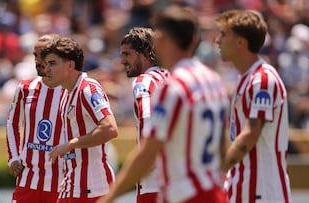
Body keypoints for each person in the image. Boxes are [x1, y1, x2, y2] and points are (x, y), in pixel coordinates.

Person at [98, 5, 229, 203]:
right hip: (215, 190)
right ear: (194, 40)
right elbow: (223, 145)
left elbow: (149, 150)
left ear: (160, 40)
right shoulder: (213, 80)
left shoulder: (170, 86)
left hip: (182, 193)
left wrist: (109, 197)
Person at [215, 10, 292, 202]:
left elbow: (250, 134)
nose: (217, 40)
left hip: (262, 191)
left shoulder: (263, 80)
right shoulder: (246, 78)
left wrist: (215, 173)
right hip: (242, 187)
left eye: (224, 34)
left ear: (241, 42)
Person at [40, 37, 119, 203]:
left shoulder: (88, 89)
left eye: (52, 63)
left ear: (70, 65)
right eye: (46, 64)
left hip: (91, 187)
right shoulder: (67, 94)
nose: (46, 69)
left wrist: (71, 144)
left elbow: (110, 129)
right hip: (72, 184)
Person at [6, 33, 65, 203]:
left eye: (43, 55)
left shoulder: (73, 90)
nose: (37, 60)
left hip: (61, 181)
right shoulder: (25, 87)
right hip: (28, 180)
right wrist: (14, 157)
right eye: (35, 55)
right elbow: (13, 123)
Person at [120, 27, 169, 203]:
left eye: (127, 54)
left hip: (153, 181)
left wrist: (147, 161)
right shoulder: (170, 77)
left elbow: (147, 118)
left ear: (146, 53)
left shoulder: (143, 81)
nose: (122, 61)